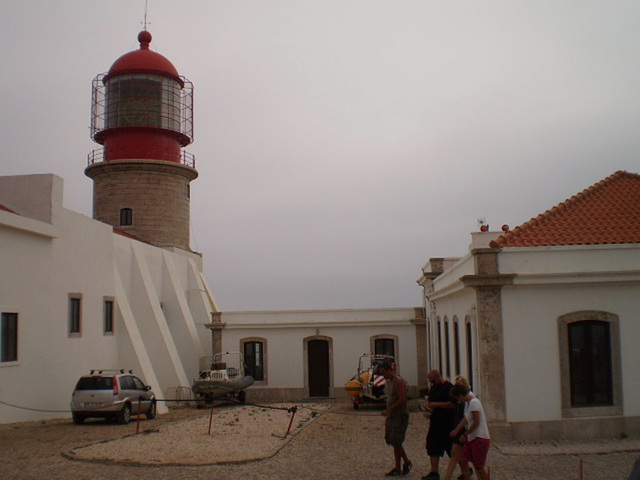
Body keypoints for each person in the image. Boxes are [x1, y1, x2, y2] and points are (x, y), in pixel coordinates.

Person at [450, 383, 491, 480]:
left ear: (460, 395)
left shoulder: (474, 402)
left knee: (479, 466)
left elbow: (476, 421)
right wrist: (456, 430)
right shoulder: (469, 402)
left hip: (479, 437)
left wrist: (465, 434)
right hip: (472, 437)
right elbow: (466, 419)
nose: (459, 401)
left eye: (458, 398)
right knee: (463, 459)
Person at [379, 359, 413, 477]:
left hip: (400, 415)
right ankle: (399, 466)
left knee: (396, 439)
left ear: (390, 370)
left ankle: (406, 463)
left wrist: (389, 409)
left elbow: (402, 399)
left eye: (384, 372)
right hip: (392, 415)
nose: (383, 375)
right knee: (392, 440)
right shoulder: (390, 382)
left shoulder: (399, 381)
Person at [422, 370, 455, 480]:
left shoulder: (449, 387)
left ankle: (465, 469)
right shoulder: (434, 388)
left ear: (438, 377)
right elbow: (431, 400)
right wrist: (428, 405)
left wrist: (437, 404)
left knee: (452, 449)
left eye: (433, 381)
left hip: (448, 423)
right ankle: (434, 472)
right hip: (435, 422)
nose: (432, 383)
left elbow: (452, 404)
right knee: (432, 446)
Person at [444, 376, 474, 480]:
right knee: (456, 455)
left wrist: (461, 431)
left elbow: (468, 417)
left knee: (461, 457)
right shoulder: (459, 399)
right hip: (459, 428)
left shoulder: (469, 400)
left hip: (464, 430)